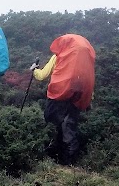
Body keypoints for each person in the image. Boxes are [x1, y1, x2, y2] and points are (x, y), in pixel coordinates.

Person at [30, 33, 96, 165]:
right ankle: (70, 164)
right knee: (69, 130)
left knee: (51, 126)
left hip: (57, 97)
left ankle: (49, 157)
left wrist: (34, 70)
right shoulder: (86, 62)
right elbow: (89, 82)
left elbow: (42, 75)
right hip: (76, 99)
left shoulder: (58, 56)